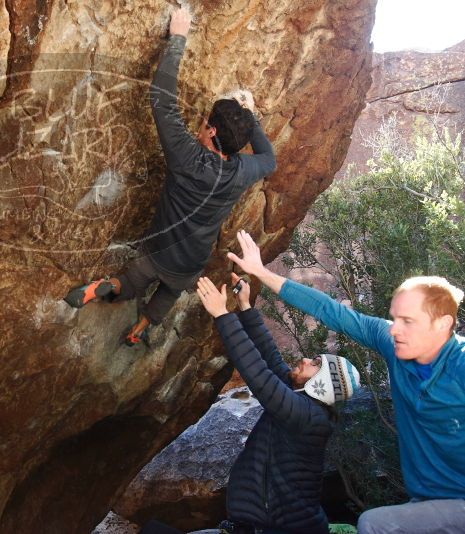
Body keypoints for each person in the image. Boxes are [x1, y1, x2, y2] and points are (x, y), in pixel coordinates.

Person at [226, 229, 465, 534]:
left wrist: (224, 315)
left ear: (442, 325)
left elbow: (262, 376)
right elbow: (330, 311)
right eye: (395, 318)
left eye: (408, 321)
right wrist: (260, 272)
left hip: (459, 502)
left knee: (373, 524)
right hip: (425, 501)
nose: (393, 329)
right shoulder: (395, 347)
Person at [63, 6, 276, 346]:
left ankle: (110, 288)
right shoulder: (244, 171)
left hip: (160, 249)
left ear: (209, 130)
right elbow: (269, 158)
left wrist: (178, 38)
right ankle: (140, 328)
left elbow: (161, 100)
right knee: (167, 295)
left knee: (133, 279)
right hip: (191, 260)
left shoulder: (186, 155)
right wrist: (251, 118)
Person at [195, 273, 361, 534]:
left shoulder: (306, 417)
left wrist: (222, 315)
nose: (306, 360)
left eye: (316, 364)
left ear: (324, 384)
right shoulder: (305, 407)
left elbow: (259, 376)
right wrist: (245, 307)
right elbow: (271, 359)